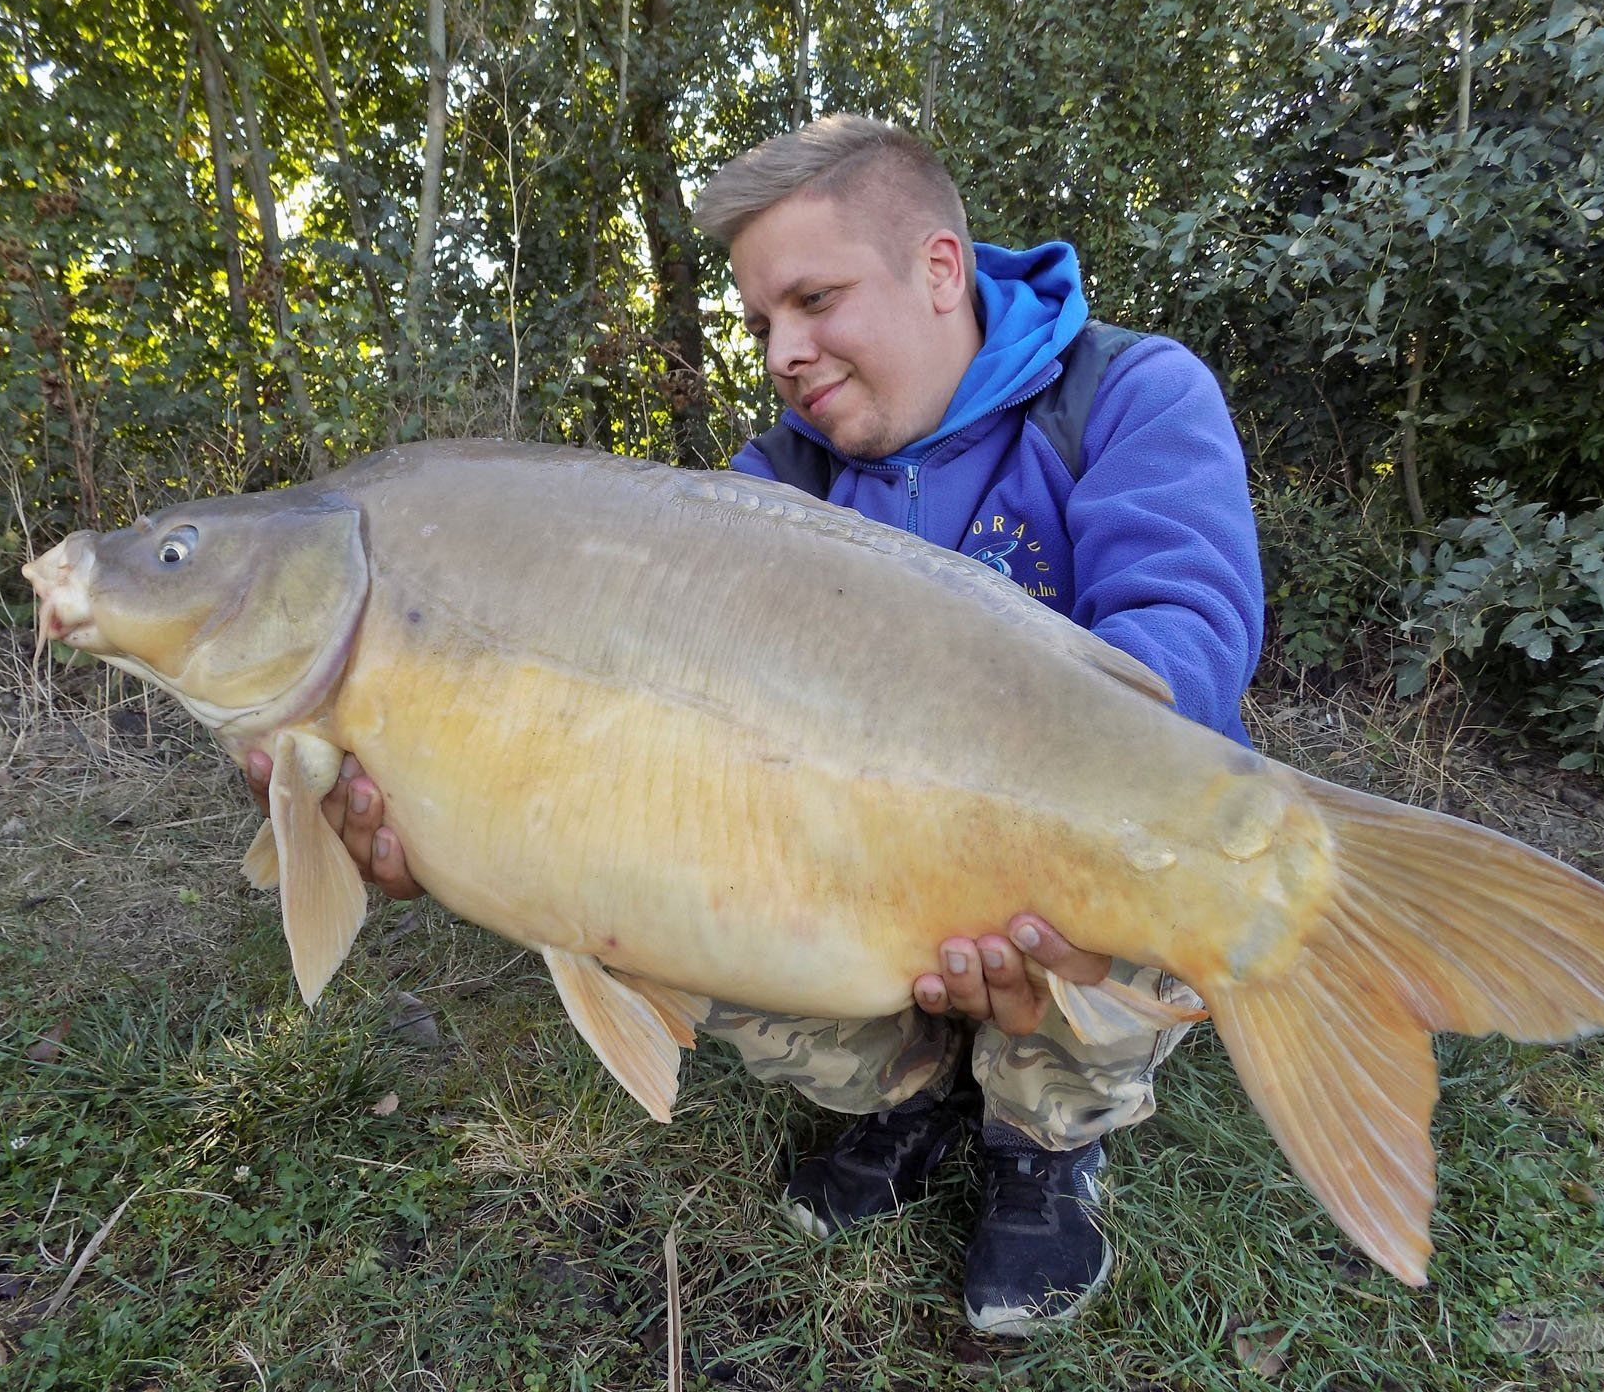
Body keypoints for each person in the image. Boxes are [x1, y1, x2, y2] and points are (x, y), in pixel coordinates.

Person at [247, 114, 1264, 1338]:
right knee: (647, 887)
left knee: (1169, 826)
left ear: (941, 270)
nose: (784, 352)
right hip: (848, 862)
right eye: (762, 324)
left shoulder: (1127, 392)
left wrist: (1002, 820)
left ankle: (1043, 1142)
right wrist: (449, 823)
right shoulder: (772, 485)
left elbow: (1190, 644)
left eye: (815, 299)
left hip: (1061, 846)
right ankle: (907, 1091)